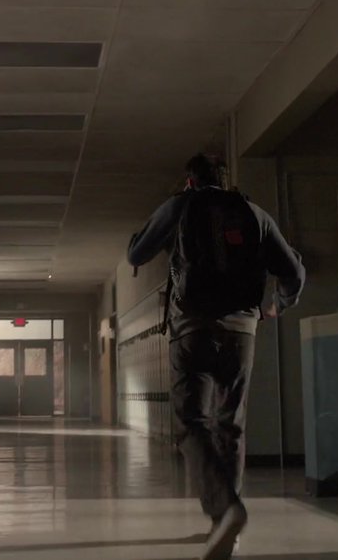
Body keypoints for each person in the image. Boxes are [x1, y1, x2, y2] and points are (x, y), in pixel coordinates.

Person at [127, 154, 305, 560]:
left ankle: (226, 510)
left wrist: (148, 232)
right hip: (242, 331)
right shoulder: (254, 213)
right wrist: (278, 304)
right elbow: (294, 272)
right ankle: (227, 526)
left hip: (191, 330)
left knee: (192, 423)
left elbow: (137, 254)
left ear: (190, 181)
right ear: (225, 181)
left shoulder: (180, 205)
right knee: (231, 424)